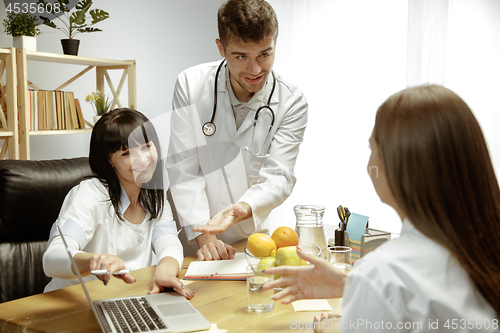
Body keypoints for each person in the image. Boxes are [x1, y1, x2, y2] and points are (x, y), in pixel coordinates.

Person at [263, 85, 500, 332]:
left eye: (372, 149)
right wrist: (354, 285)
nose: (369, 165)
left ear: (396, 168)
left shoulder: (383, 274)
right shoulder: (485, 249)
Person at [167, 0, 308, 260]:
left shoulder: (292, 102)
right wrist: (205, 236)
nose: (255, 70)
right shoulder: (190, 85)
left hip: (252, 240)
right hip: (195, 236)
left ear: (275, 43)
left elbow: (279, 175)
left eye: (264, 54)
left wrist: (240, 209)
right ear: (221, 48)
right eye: (241, 56)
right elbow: (183, 168)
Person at [43, 108, 194, 299]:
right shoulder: (90, 194)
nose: (143, 159)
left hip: (123, 299)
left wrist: (165, 272)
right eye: (126, 153)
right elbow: (51, 259)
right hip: (70, 303)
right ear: (109, 160)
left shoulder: (153, 196)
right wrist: (93, 261)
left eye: (147, 146)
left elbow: (169, 243)